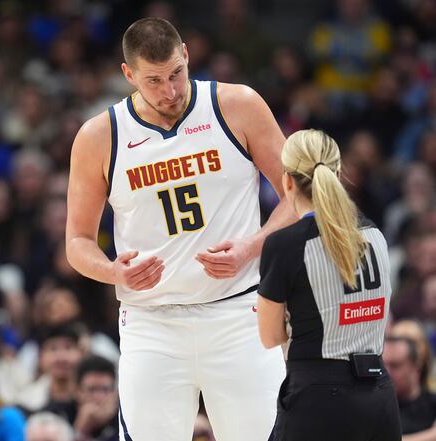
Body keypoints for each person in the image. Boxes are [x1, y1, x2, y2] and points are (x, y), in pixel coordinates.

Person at [65, 17, 293, 441]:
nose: (170, 90)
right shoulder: (99, 136)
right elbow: (77, 243)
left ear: (187, 54)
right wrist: (114, 272)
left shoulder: (237, 104)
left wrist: (252, 246)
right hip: (152, 324)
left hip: (238, 313)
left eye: (176, 73)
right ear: (128, 74)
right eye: (154, 80)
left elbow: (298, 196)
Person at [257, 129, 401, 440]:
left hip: (317, 399)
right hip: (379, 396)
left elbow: (269, 337)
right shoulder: (375, 234)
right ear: (337, 173)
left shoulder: (284, 245)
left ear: (288, 181)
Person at [382, 336, 436, 441]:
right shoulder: (376, 410)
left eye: (395, 366)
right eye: (383, 366)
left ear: (416, 368)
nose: (386, 373)